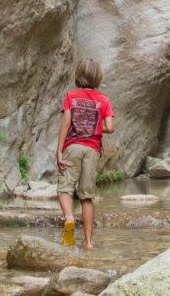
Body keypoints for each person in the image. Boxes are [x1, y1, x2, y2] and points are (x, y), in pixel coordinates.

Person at [56, 58, 114, 249]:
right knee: (87, 196)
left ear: (78, 75)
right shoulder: (104, 100)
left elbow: (66, 123)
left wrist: (59, 151)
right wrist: (94, 127)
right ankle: (88, 242)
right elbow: (110, 127)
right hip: (92, 150)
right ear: (98, 77)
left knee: (65, 188)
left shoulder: (71, 96)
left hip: (72, 147)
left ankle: (69, 217)